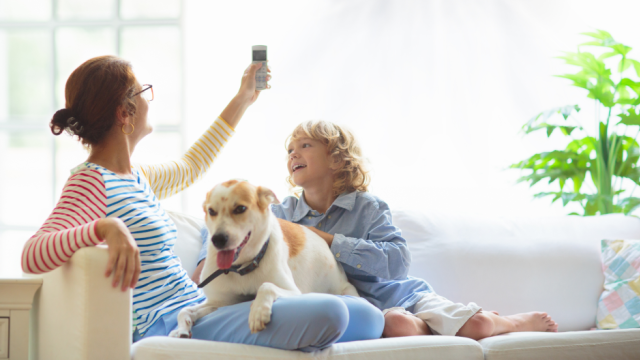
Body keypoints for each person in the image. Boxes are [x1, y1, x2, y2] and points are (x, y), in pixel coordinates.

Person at [20, 56, 382, 352]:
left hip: (201, 307)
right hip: (169, 323)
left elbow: (192, 166)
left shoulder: (137, 178)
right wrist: (105, 227)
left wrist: (244, 97)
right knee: (333, 312)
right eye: (143, 91)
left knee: (369, 318)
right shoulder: (90, 181)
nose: (149, 97)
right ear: (123, 112)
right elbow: (33, 254)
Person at [196, 119, 558, 340]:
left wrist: (331, 241)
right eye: (290, 149)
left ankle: (507, 322)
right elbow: (234, 224)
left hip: (399, 294)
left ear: (337, 159)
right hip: (364, 307)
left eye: (305, 145)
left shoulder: (368, 207)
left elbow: (398, 261)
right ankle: (444, 326)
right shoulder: (280, 211)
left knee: (476, 326)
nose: (293, 154)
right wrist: (208, 254)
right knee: (397, 326)